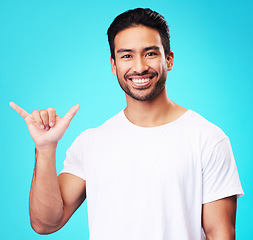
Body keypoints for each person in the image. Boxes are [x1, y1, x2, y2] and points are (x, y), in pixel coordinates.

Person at [10, 8, 243, 240]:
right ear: (113, 65)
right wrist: (45, 148)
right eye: (126, 55)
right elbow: (46, 223)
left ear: (169, 59)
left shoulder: (208, 139)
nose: (139, 67)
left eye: (150, 53)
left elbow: (220, 234)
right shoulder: (92, 142)